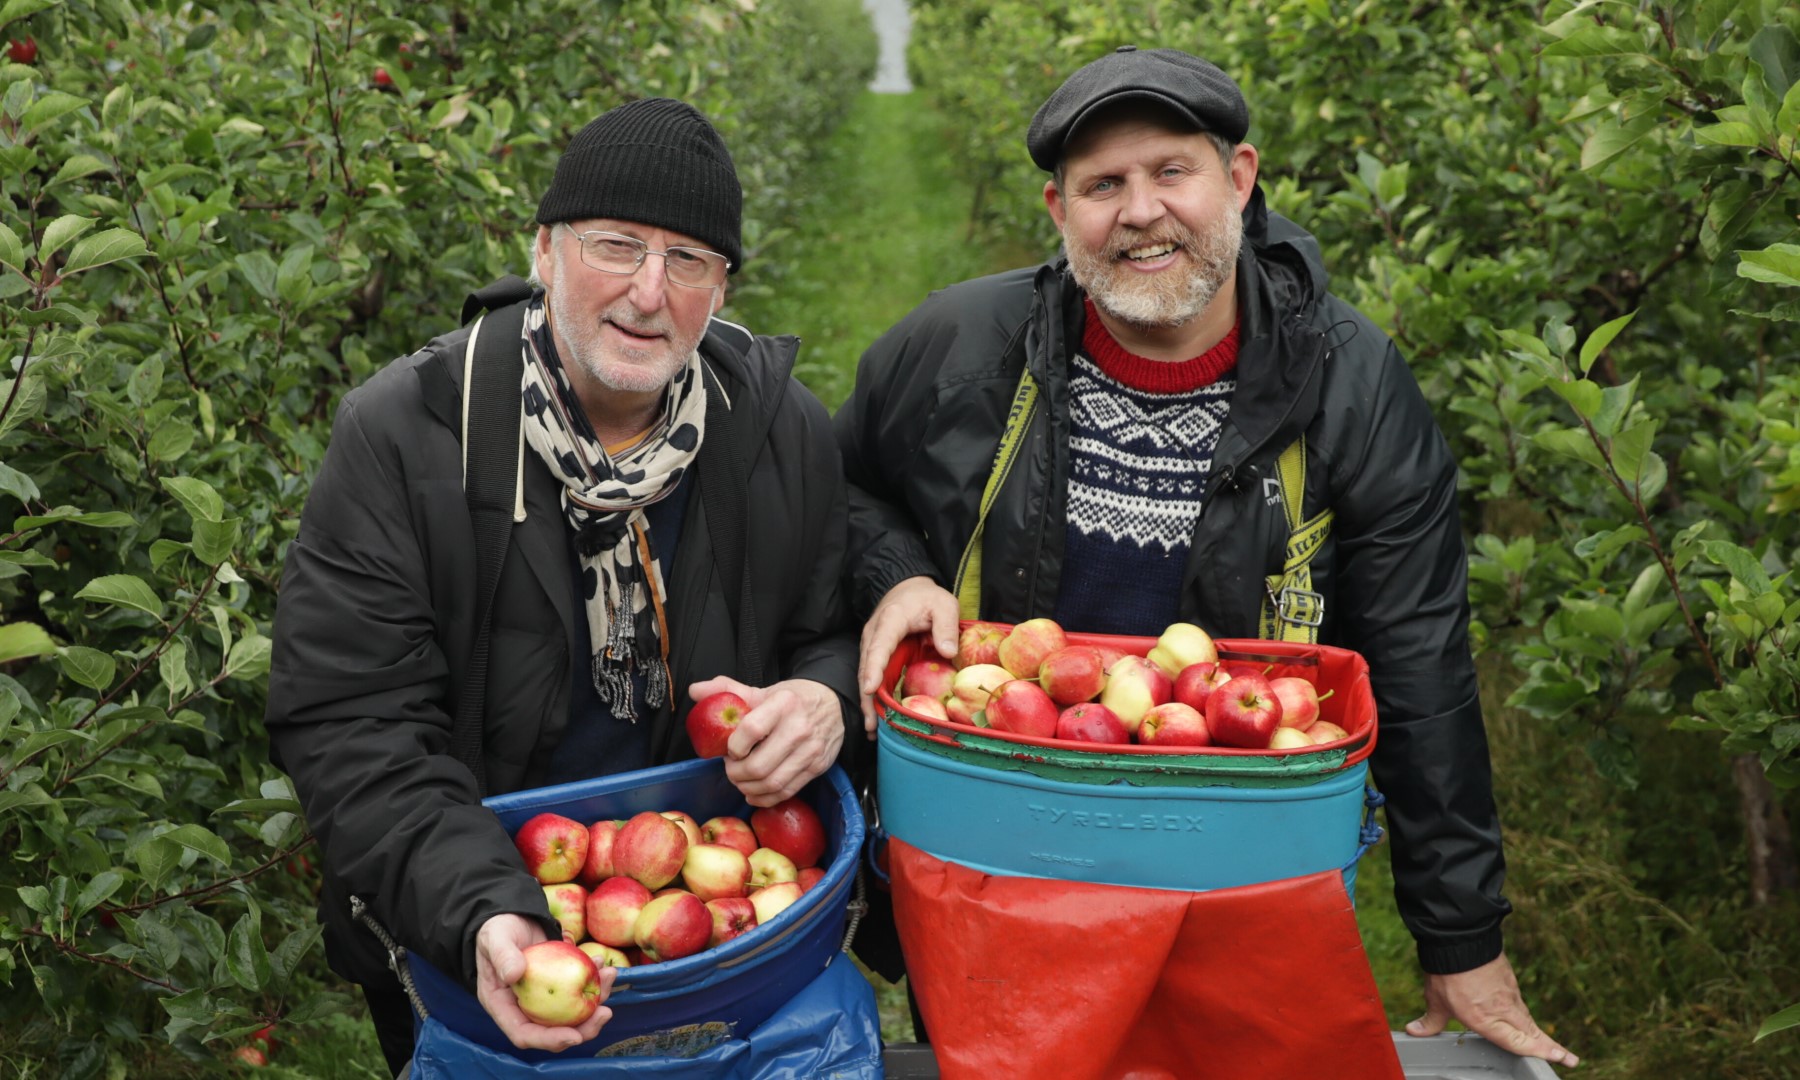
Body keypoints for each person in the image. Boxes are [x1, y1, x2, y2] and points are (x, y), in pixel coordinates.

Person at [836, 48, 1578, 1069]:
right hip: (1008, 849)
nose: (1141, 212)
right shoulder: (959, 349)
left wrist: (1460, 938)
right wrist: (898, 576)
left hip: (1236, 864)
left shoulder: (1348, 384)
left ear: (1238, 179)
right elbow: (837, 489)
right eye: (1104, 185)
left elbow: (1420, 661)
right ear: (1060, 211)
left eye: (1171, 171)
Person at [265, 98, 861, 1076]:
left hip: (711, 936)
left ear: (722, 288)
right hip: (472, 924)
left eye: (690, 262)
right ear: (545, 250)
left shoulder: (775, 430)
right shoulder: (409, 436)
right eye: (617, 245)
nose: (648, 291)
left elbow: (826, 627)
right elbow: (352, 722)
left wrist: (823, 701)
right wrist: (480, 910)